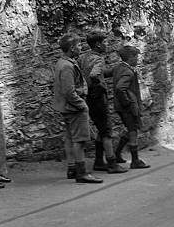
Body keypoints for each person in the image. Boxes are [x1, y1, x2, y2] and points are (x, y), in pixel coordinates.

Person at [52, 32, 103, 183]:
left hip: (67, 107)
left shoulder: (63, 62)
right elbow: (69, 91)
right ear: (72, 48)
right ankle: (82, 173)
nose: (81, 47)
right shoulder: (67, 66)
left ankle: (72, 168)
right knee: (79, 140)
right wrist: (82, 105)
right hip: (74, 107)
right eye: (79, 45)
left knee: (69, 138)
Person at [78, 30, 128, 174]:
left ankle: (99, 161)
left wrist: (113, 70)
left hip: (88, 97)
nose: (107, 45)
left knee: (100, 128)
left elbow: (91, 72)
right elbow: (94, 74)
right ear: (98, 44)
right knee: (106, 130)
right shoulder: (98, 59)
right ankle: (112, 163)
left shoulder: (83, 57)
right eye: (105, 42)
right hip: (98, 97)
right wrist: (97, 84)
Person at [113, 45, 150, 169]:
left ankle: (117, 154)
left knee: (128, 129)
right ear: (131, 57)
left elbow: (108, 73)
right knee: (133, 130)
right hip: (128, 107)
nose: (137, 60)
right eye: (136, 57)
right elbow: (120, 88)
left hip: (120, 106)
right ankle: (135, 161)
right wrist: (127, 103)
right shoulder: (129, 72)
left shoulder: (118, 67)